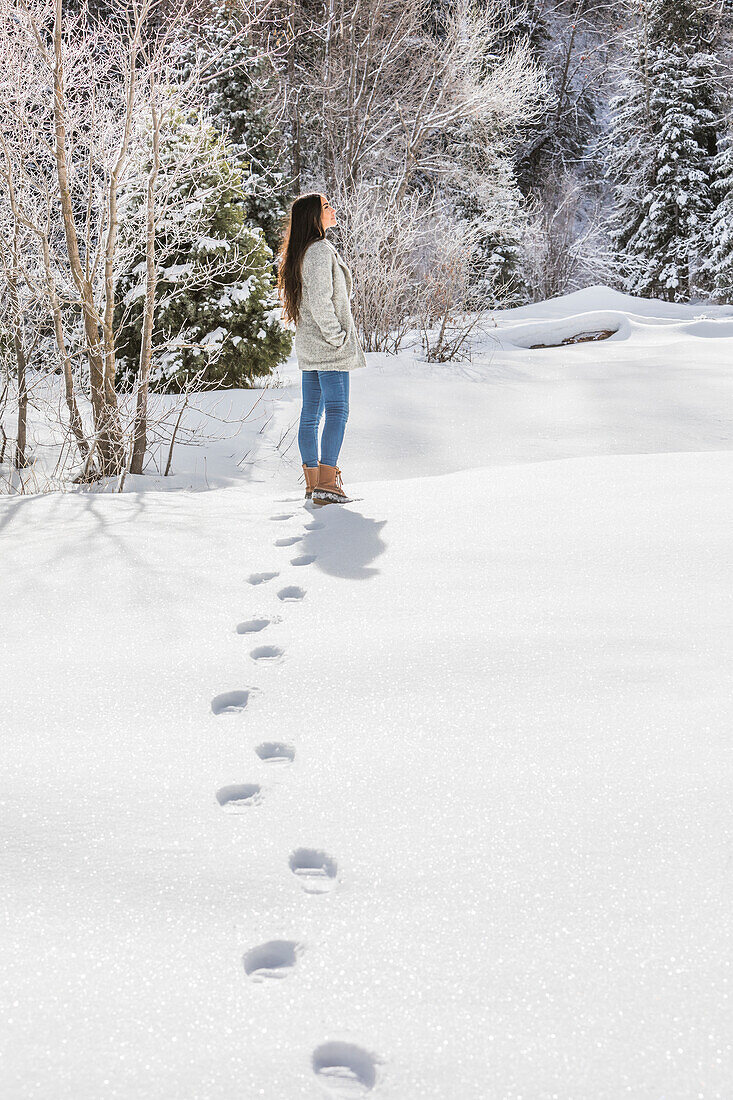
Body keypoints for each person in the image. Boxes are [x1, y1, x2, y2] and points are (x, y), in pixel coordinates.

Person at [277, 192, 366, 506]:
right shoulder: (318, 251)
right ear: (314, 217)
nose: (332, 209)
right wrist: (338, 337)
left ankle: (315, 485)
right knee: (337, 411)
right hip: (328, 347)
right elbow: (320, 301)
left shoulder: (307, 251)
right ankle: (327, 484)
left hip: (313, 346)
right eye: (326, 206)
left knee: (311, 416)